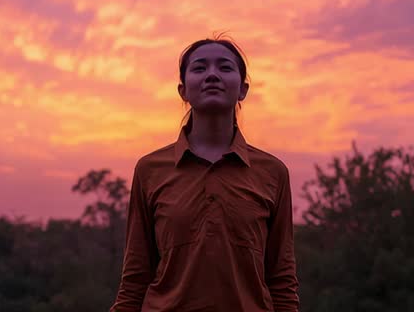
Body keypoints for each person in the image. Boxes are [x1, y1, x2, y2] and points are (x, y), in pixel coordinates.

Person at [109, 36, 299, 311]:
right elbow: (136, 276)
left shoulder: (272, 173)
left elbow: (281, 278)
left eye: (224, 67)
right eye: (200, 68)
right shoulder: (151, 170)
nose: (212, 75)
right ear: (183, 91)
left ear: (243, 89)